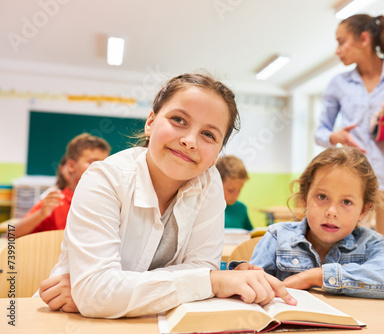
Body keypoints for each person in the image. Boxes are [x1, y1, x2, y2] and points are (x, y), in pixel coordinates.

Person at [39, 73, 296, 319]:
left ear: (216, 155)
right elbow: (97, 292)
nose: (190, 140)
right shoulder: (104, 179)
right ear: (150, 122)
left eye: (209, 134)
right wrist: (211, 281)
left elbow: (199, 269)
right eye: (179, 120)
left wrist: (106, 295)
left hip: (161, 322)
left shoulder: (209, 184)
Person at [314, 14, 384, 266]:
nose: (337, 50)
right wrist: (336, 136)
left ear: (363, 39)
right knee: (347, 256)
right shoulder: (337, 84)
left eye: (342, 42)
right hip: (354, 183)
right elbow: (320, 132)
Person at [230, 146, 384, 299]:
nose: (331, 212)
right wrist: (245, 277)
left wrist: (316, 276)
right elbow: (254, 283)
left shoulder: (369, 243)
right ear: (304, 198)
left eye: (346, 202)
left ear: (363, 210)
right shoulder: (277, 237)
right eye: (322, 197)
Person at [14, 133, 110, 238]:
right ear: (71, 165)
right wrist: (41, 214)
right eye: (93, 162)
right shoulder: (56, 201)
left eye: (104, 164)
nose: (101, 168)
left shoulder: (106, 201)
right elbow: (12, 233)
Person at [215, 155, 253, 230]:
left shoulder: (241, 208)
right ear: (217, 184)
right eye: (230, 190)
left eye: (239, 189)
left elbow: (251, 235)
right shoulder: (207, 208)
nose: (236, 195)